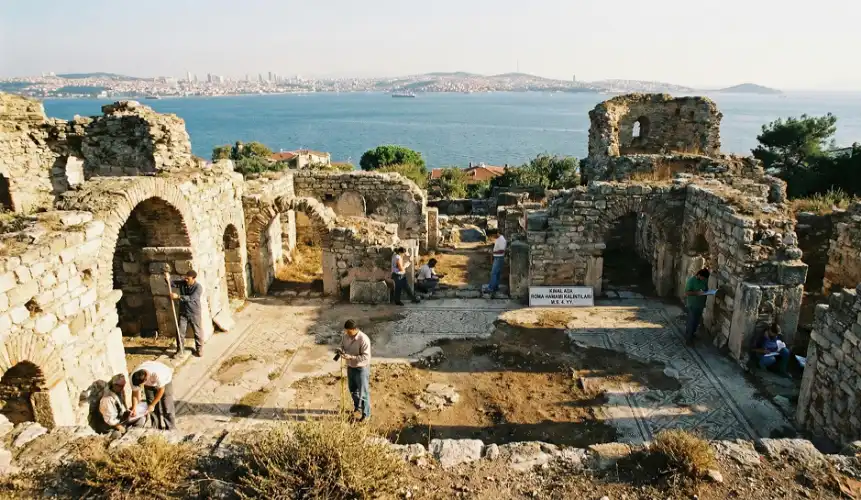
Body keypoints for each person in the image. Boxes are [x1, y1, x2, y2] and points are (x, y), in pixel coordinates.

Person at [336, 319, 371, 422]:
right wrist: (339, 350)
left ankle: (366, 415)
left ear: (355, 329)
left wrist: (351, 357)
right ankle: (357, 408)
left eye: (349, 331)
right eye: (346, 331)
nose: (347, 333)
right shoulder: (346, 336)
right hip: (350, 367)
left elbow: (366, 357)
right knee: (353, 390)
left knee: (363, 393)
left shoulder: (364, 339)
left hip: (361, 369)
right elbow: (342, 346)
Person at [131, 360, 177, 430]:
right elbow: (134, 393)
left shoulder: (158, 374)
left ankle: (171, 428)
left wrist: (153, 404)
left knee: (167, 405)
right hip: (150, 382)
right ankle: (156, 428)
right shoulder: (134, 377)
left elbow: (161, 390)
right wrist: (134, 408)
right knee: (150, 406)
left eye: (141, 385)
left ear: (145, 380)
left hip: (165, 380)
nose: (140, 387)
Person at [168, 270, 204, 357]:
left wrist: (178, 297)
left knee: (197, 332)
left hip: (194, 313)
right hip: (183, 312)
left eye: (188, 278)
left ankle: (199, 349)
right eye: (186, 278)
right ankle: (180, 350)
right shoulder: (183, 283)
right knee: (180, 332)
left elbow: (192, 298)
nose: (186, 280)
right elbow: (171, 284)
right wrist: (167, 278)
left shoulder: (198, 287)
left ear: (193, 278)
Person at [684, 268, 710, 343]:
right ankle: (688, 339)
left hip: (700, 305)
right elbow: (687, 293)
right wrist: (697, 293)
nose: (704, 279)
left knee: (696, 321)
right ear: (699, 275)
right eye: (703, 278)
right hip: (692, 304)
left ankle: (692, 334)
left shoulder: (704, 280)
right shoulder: (691, 281)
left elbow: (705, 289)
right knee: (691, 321)